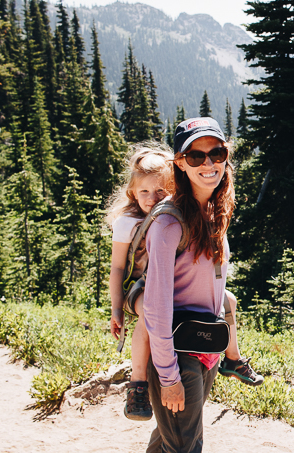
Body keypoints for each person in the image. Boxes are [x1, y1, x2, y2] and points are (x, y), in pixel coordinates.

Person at [107, 140, 262, 425]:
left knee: (229, 301)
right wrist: (116, 308)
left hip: (168, 289)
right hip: (139, 285)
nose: (152, 198)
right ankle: (137, 382)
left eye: (160, 190)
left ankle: (233, 359)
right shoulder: (132, 222)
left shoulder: (180, 212)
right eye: (144, 192)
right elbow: (117, 267)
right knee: (148, 316)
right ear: (132, 192)